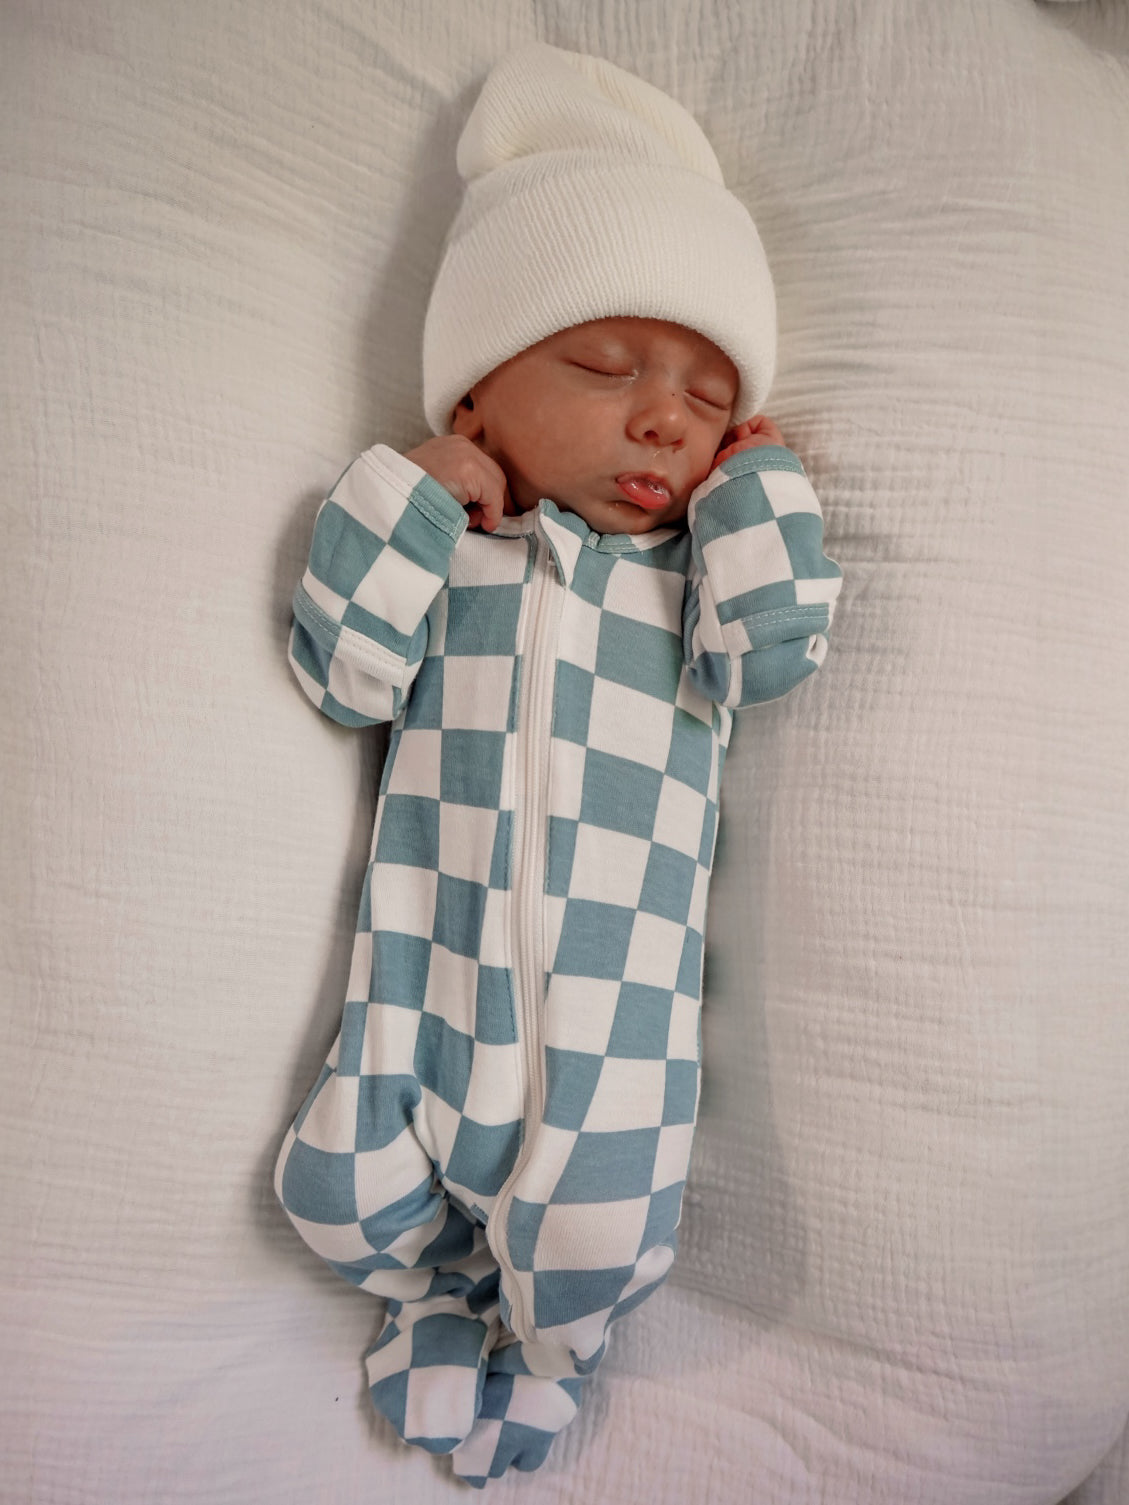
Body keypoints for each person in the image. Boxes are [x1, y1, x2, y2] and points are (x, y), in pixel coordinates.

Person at [274, 42, 842, 1486]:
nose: (664, 415)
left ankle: (547, 1345)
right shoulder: (450, 552)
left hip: (614, 1036)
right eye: (604, 366)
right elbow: (337, 668)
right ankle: (424, 1302)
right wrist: (409, 493)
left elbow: (777, 650)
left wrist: (758, 494)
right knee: (334, 1195)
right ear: (475, 400)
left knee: (591, 1241)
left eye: (709, 399)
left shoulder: (689, 592)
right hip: (415, 991)